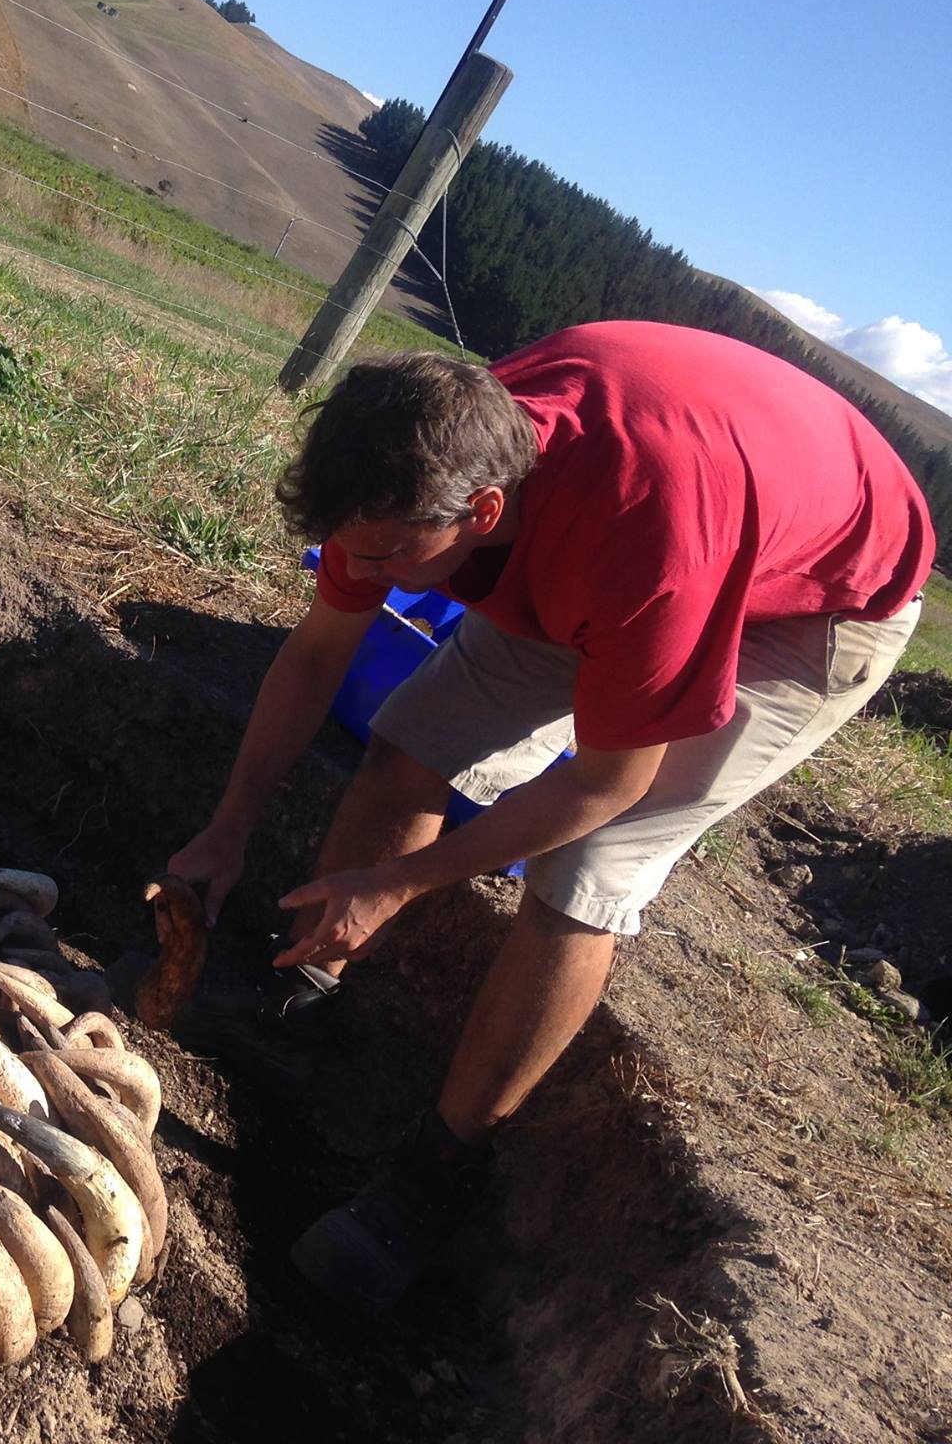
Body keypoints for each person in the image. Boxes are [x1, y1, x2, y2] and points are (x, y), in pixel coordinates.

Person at [167, 320, 935, 1315]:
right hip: (646, 524)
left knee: (589, 870)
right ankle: (307, 994)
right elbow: (318, 653)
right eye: (357, 550)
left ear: (480, 511)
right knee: (409, 743)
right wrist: (227, 825)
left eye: (394, 556)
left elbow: (608, 784)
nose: (375, 572)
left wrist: (398, 882)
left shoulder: (638, 540)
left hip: (820, 599)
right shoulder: (404, 472)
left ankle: (434, 1173)